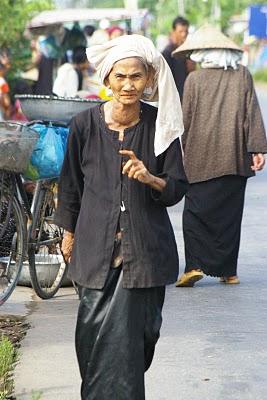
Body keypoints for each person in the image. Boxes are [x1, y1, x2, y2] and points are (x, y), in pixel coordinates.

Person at [54, 34, 187, 399]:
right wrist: (68, 234)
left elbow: (177, 188)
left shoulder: (161, 125)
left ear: (148, 80)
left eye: (136, 77)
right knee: (93, 340)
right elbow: (70, 185)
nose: (128, 85)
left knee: (139, 340)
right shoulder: (83, 126)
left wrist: (150, 178)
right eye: (121, 76)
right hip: (95, 251)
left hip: (144, 254)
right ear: (107, 79)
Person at [172, 25, 267, 287]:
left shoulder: (194, 80)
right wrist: (257, 150)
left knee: (193, 214)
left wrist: (178, 151)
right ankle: (229, 272)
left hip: (199, 160)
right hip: (234, 159)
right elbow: (252, 114)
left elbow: (185, 121)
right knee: (229, 217)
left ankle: (193, 265)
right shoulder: (243, 75)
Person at [162, 16, 195, 98]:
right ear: (173, 32)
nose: (184, 34)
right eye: (180, 31)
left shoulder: (188, 52)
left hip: (187, 95)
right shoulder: (167, 53)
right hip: (173, 98)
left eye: (186, 31)